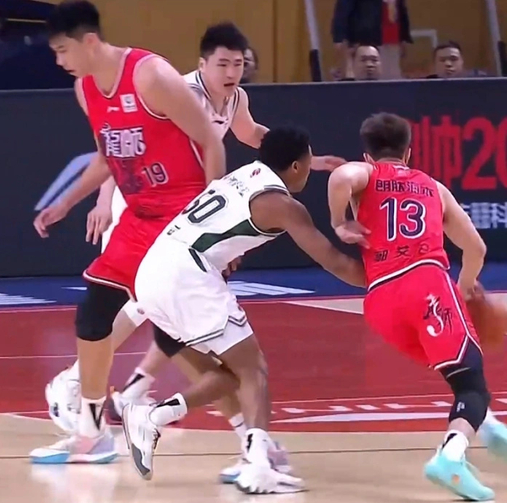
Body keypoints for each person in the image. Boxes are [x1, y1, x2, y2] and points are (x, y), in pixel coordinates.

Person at [44, 21, 346, 479]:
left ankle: (244, 439)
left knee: (172, 331)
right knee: (127, 313)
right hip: (149, 206)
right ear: (203, 64)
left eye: (238, 63)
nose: (231, 72)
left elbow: (251, 135)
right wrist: (95, 201)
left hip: (185, 210)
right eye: (223, 63)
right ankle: (89, 401)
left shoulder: (233, 98)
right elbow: (115, 150)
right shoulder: (168, 86)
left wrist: (308, 159)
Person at [30, 0, 227, 464]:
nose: (59, 61)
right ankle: (91, 432)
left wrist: (215, 222)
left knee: (187, 343)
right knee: (93, 315)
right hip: (140, 216)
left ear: (89, 42)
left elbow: (210, 141)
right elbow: (108, 155)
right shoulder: (85, 89)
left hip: (183, 216)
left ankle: (255, 440)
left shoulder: (149, 75)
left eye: (62, 50)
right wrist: (66, 203)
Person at [122, 125, 366, 494]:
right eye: (307, 161)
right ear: (297, 167)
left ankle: (158, 417)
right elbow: (334, 262)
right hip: (186, 276)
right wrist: (389, 277)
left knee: (233, 374)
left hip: (153, 270)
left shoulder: (246, 174)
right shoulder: (283, 205)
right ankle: (256, 467)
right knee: (253, 370)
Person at [327, 112, 507, 501]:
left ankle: (491, 429)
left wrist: (339, 222)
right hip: (425, 284)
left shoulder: (366, 174)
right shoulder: (434, 188)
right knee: (472, 381)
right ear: (409, 152)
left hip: (380, 301)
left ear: (368, 154)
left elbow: (340, 177)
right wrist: (463, 288)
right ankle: (450, 457)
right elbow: (476, 248)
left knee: (455, 373)